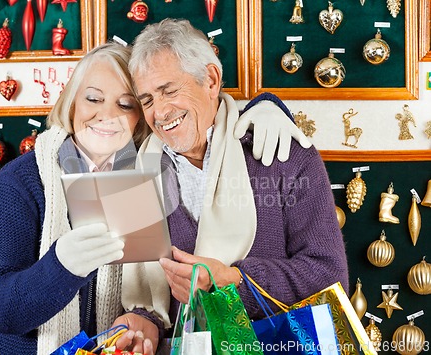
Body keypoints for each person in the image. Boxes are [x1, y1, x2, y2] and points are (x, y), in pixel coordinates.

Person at [0, 41, 308, 354]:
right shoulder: (21, 184)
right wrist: (61, 266)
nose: (107, 114)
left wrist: (267, 106)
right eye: (93, 98)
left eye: (126, 104)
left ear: (141, 117)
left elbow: (208, 112)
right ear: (71, 101)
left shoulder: (145, 174)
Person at [113, 18, 349, 354]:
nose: (161, 112)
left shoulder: (283, 155)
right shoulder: (136, 176)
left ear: (210, 80)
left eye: (169, 90)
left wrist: (233, 282)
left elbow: (329, 275)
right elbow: (149, 306)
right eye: (148, 99)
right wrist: (139, 323)